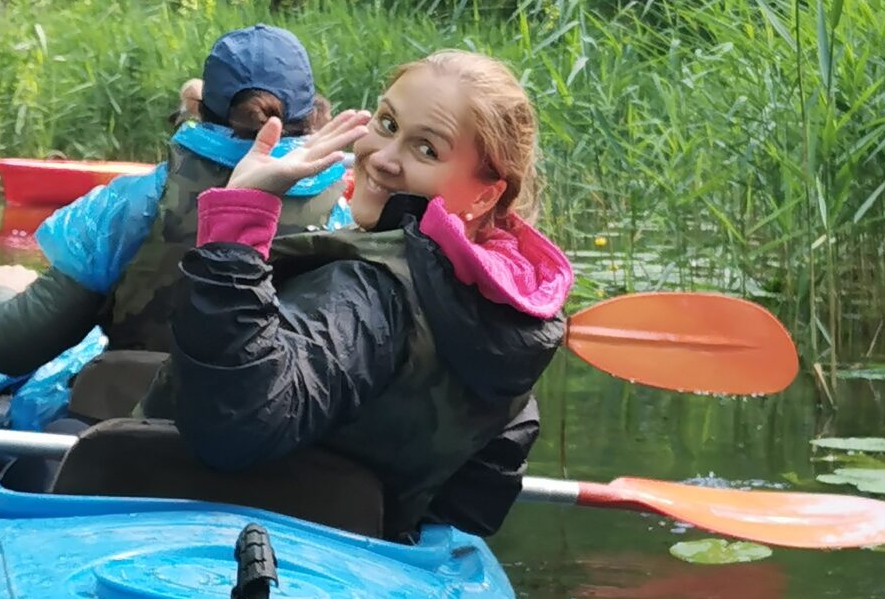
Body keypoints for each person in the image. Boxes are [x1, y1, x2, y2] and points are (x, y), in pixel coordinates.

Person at [139, 50, 573, 539]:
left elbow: (234, 428)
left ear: (485, 194)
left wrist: (238, 226)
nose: (383, 158)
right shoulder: (509, 312)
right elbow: (475, 502)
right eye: (387, 123)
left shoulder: (370, 290)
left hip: (199, 537)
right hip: (369, 573)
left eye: (426, 150)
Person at [0, 25, 350, 424]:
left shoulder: (135, 203)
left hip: (124, 432)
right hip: (272, 441)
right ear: (313, 117)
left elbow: (10, 346)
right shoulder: (345, 220)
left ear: (201, 111)